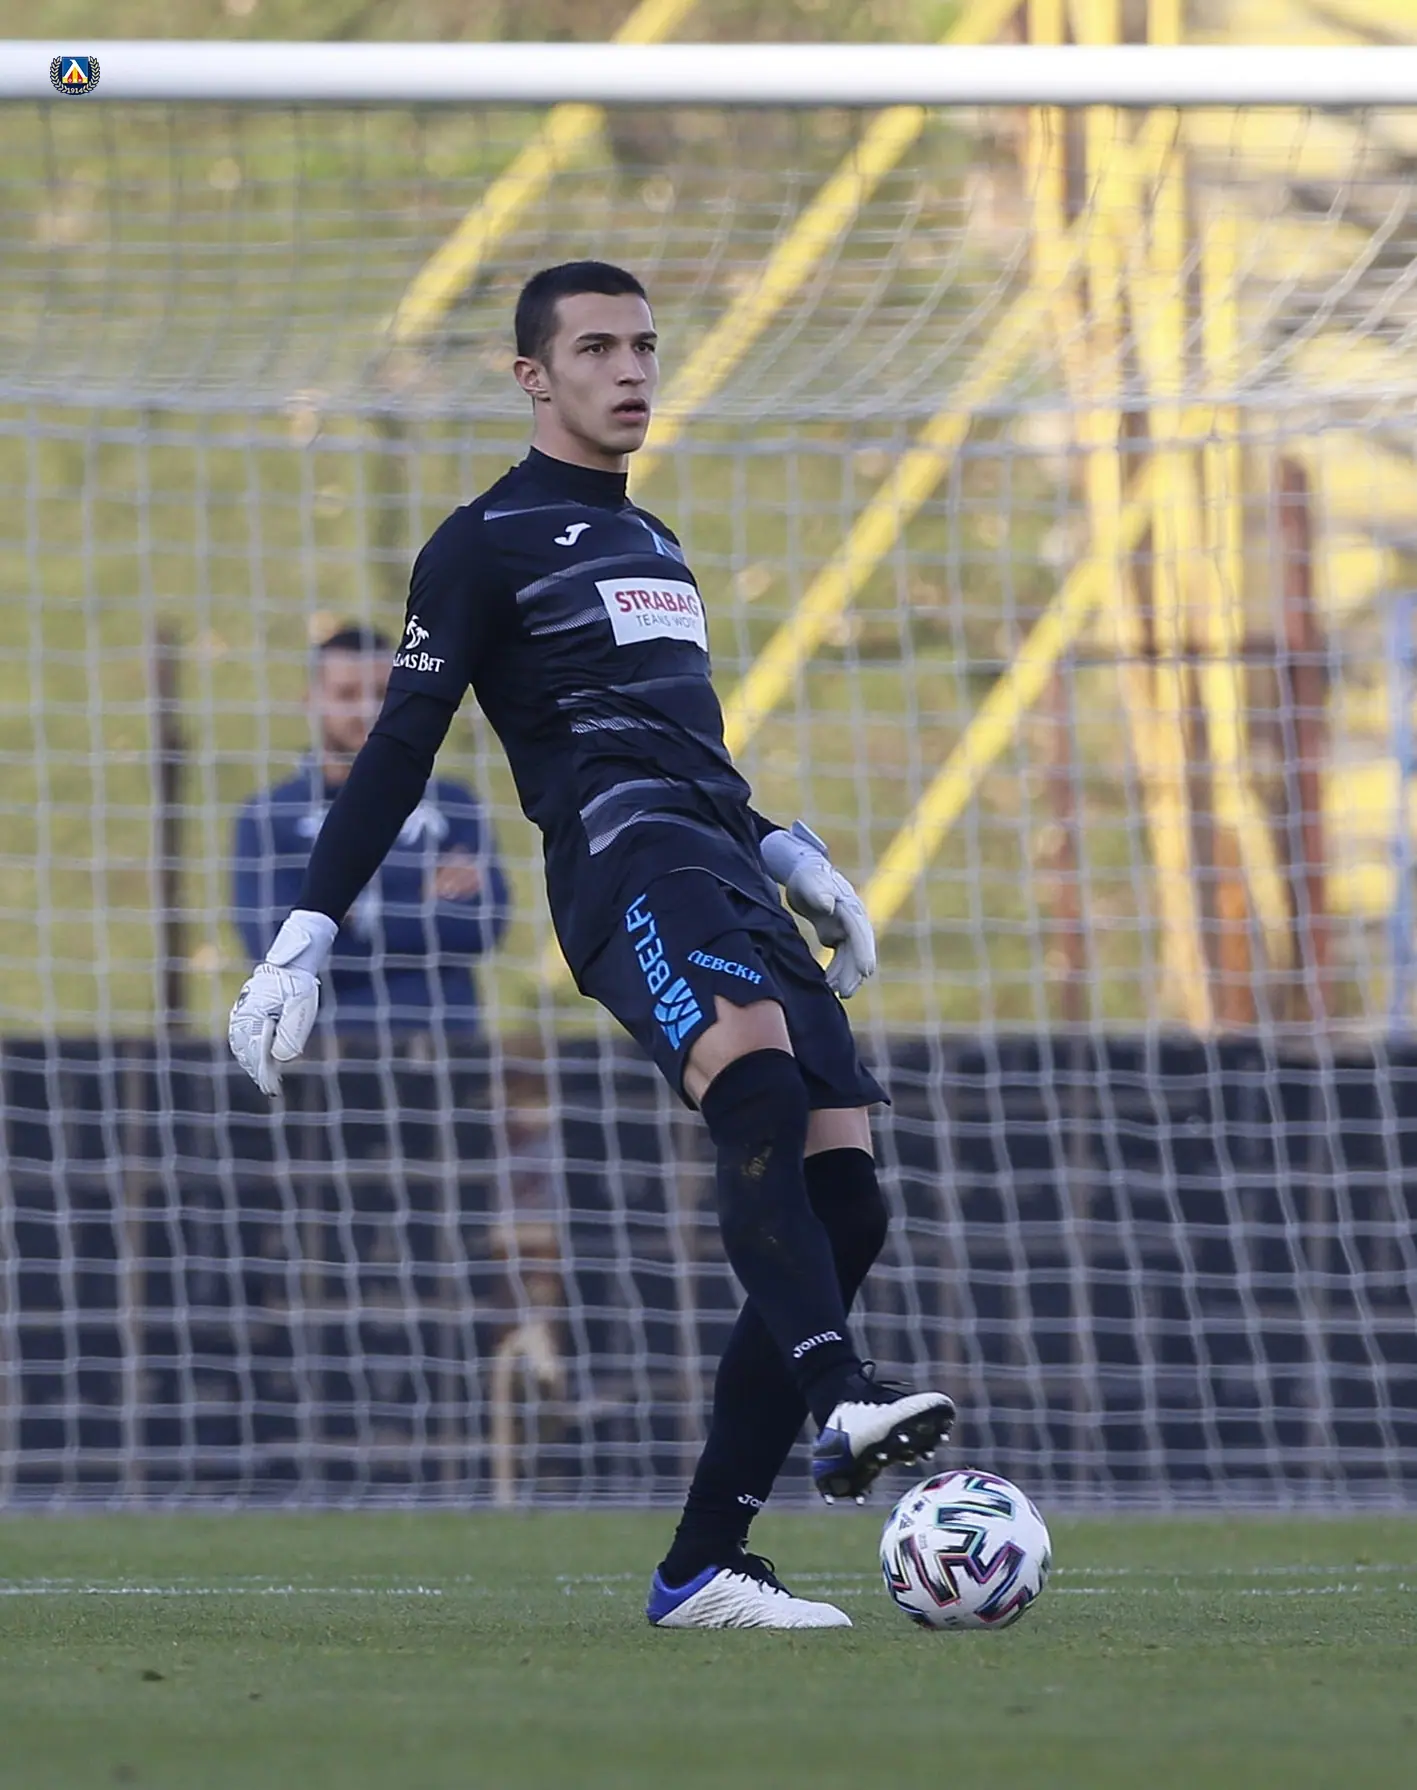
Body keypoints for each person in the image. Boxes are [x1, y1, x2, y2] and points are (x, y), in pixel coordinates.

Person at [228, 262, 954, 1630]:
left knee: (847, 1193)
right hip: (624, 865)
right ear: (533, 376)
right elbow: (399, 747)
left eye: (645, 347)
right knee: (752, 1080)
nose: (631, 370)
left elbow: (689, 751)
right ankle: (839, 1394)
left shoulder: (658, 542)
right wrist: (299, 940)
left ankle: (703, 1565)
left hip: (721, 861)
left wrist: (793, 857)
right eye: (599, 347)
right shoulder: (483, 543)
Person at [232, 624, 509, 1045]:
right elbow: (275, 951)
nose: (366, 709)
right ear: (311, 701)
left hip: (446, 1049)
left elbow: (481, 927)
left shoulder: (453, 802)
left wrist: (348, 912)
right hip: (322, 1052)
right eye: (347, 694)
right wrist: (420, 901)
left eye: (382, 693)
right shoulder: (268, 818)